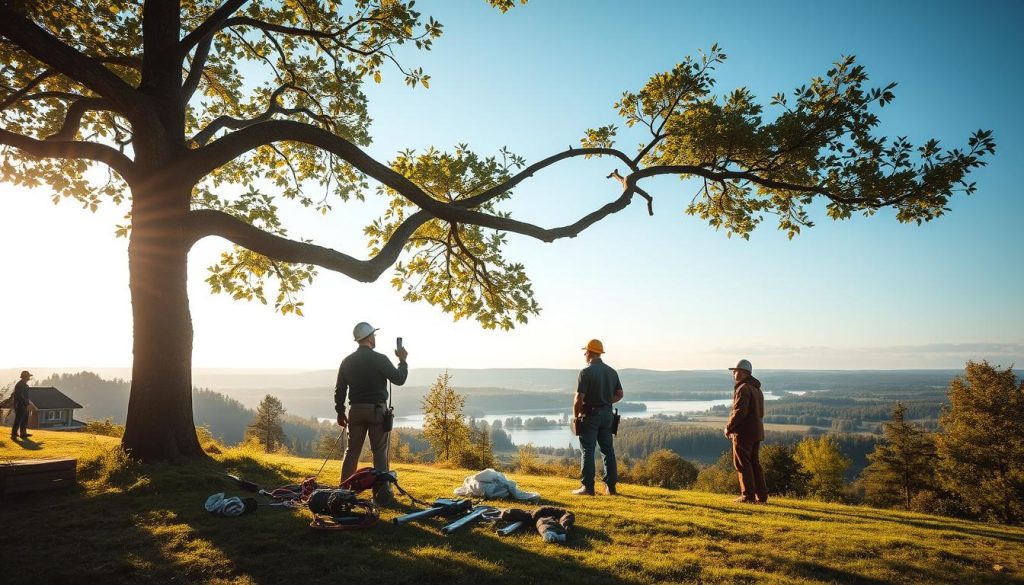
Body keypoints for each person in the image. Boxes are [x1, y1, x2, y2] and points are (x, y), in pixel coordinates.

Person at [335, 322, 408, 501]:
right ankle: (382, 494)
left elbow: (340, 389)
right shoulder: (380, 359)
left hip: (356, 411)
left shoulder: (347, 360)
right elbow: (399, 379)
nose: (375, 338)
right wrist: (402, 360)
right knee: (379, 451)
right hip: (377, 411)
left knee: (352, 451)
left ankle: (344, 492)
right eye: (373, 335)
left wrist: (340, 411)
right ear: (368, 338)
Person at [571, 339, 623, 496]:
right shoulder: (612, 372)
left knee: (588, 450)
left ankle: (587, 487)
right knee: (608, 451)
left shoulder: (585, 372)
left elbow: (579, 399)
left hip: (590, 415)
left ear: (589, 352)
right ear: (599, 352)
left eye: (585, 352)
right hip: (608, 415)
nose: (585, 354)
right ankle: (611, 488)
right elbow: (619, 395)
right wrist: (606, 401)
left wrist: (576, 416)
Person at [724, 359, 768, 504]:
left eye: (735, 371)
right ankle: (761, 496)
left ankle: (747, 496)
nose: (733, 374)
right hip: (756, 432)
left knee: (742, 464)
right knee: (754, 463)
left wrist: (728, 427)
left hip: (743, 433)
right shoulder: (756, 389)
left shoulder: (743, 388)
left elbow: (739, 412)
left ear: (742, 373)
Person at [10, 370, 33, 440]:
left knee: (25, 419)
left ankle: (23, 433)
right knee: (18, 419)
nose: (29, 377)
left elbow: (25, 396)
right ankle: (14, 434)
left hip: (23, 404)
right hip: (20, 404)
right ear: (25, 377)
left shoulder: (24, 384)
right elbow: (20, 395)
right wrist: (25, 402)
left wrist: (27, 404)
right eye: (28, 376)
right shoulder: (20, 385)